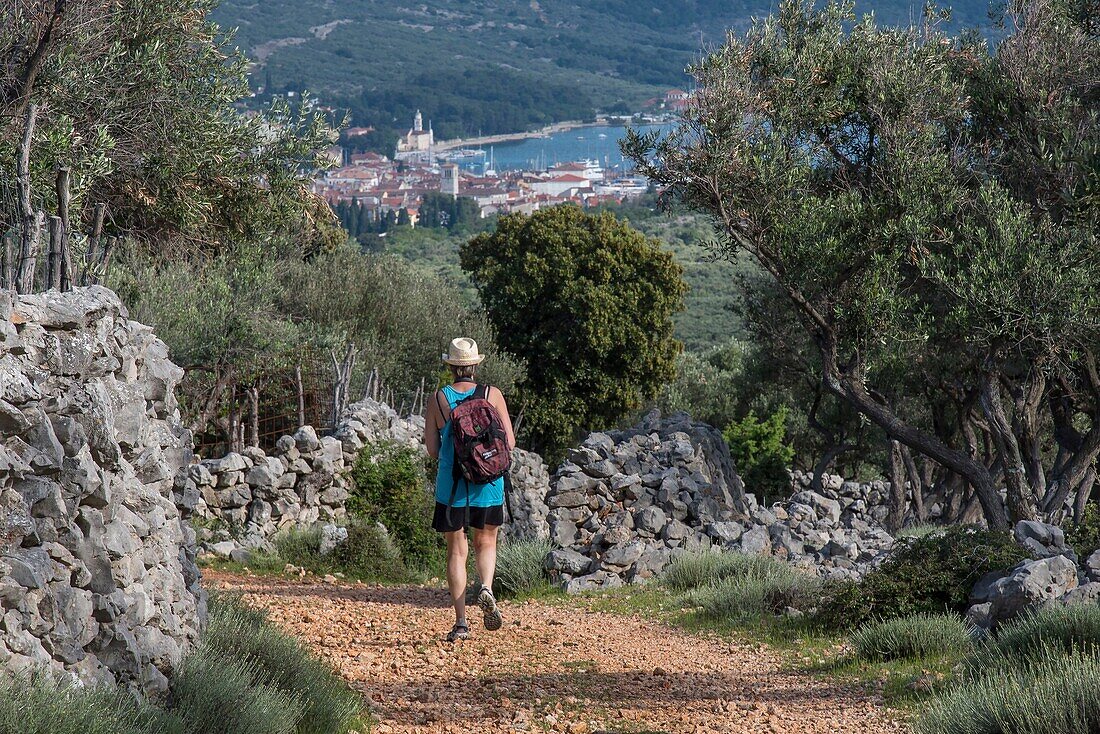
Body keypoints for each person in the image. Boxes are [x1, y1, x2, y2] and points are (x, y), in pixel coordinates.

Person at [423, 337, 516, 642]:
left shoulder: (438, 399)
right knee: (486, 542)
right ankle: (486, 587)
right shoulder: (492, 394)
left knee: (456, 550)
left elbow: (433, 451)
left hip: (452, 488)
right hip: (488, 483)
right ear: (475, 365)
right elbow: (510, 444)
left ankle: (461, 622)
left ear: (450, 366)